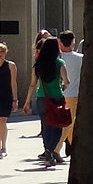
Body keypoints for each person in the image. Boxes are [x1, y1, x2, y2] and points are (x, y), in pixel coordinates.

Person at [32, 36, 68, 167]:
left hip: (42, 97)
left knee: (46, 126)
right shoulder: (60, 63)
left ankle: (47, 151)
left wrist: (26, 102)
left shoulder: (38, 64)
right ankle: (50, 150)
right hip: (57, 97)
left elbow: (32, 84)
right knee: (58, 126)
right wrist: (62, 87)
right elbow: (66, 81)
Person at [58, 30, 84, 159]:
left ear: (60, 43)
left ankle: (75, 148)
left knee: (68, 123)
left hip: (62, 93)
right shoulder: (81, 58)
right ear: (73, 42)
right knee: (69, 123)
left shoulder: (58, 59)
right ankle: (56, 149)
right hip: (75, 93)